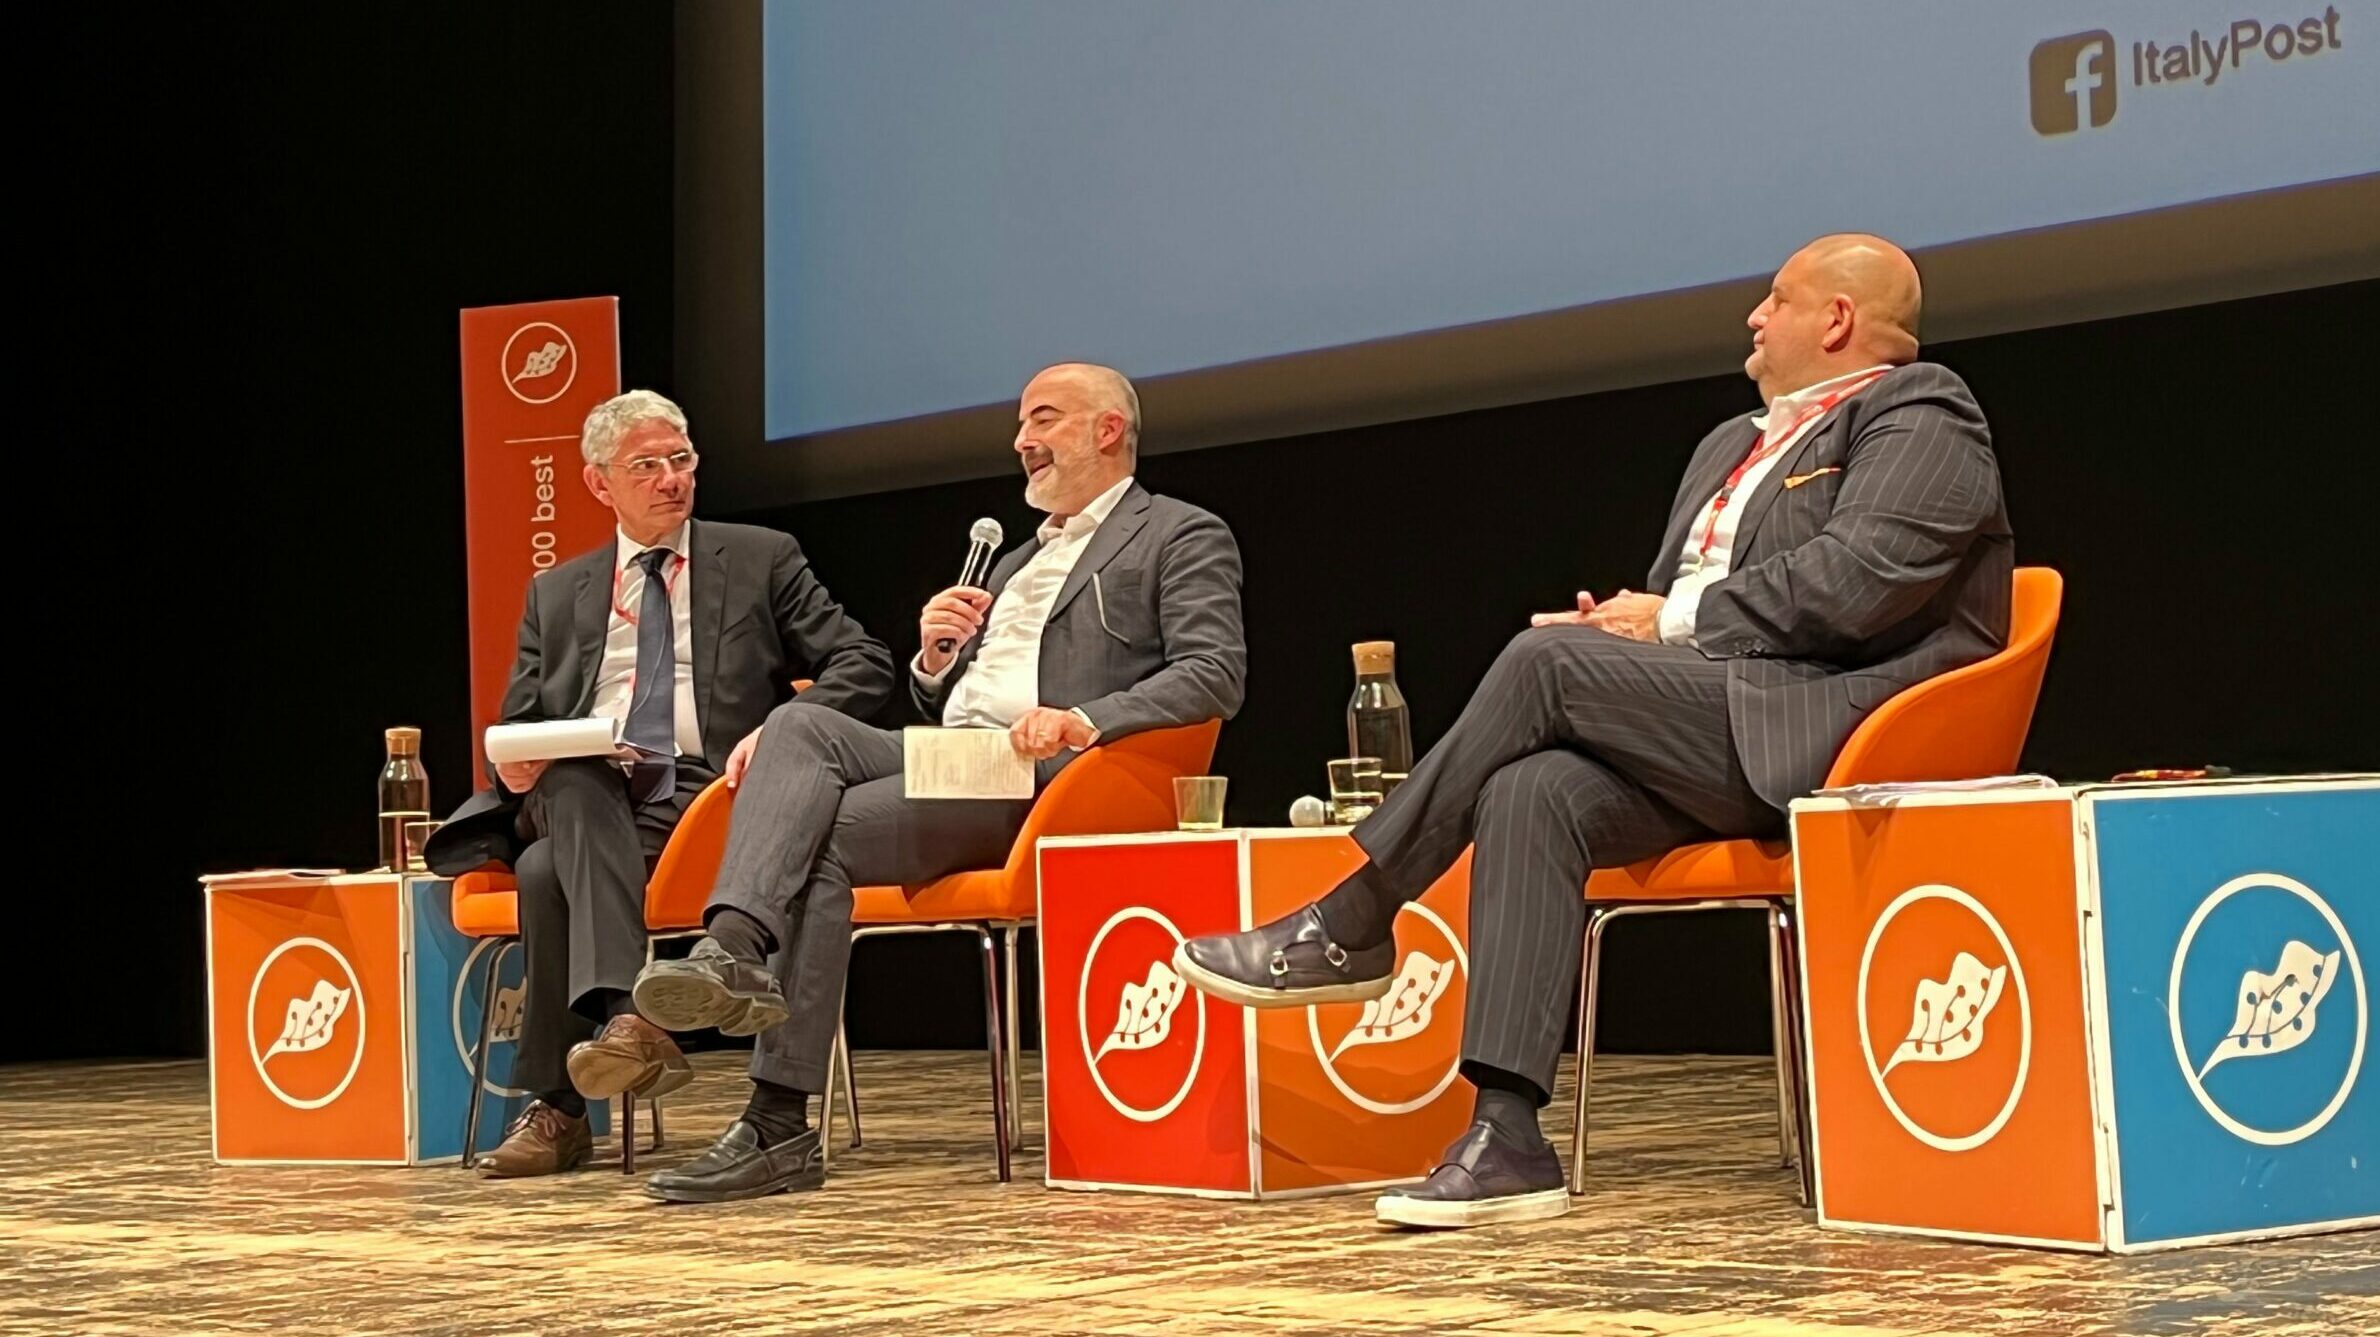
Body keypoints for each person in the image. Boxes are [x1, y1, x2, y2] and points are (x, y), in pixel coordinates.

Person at [1177, 235, 2013, 1229]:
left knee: (1544, 663)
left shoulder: (1921, 409)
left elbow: (1856, 582)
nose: (1754, 316)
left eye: (1776, 299)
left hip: (1826, 724)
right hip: (1715, 721)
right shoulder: (1729, 443)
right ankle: (1507, 1136)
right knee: (1529, 789)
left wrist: (1654, 626)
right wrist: (1620, 625)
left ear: (1836, 319)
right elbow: (1678, 605)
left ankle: (1354, 917)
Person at [629, 362, 1247, 1203]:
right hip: (956, 753)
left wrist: (1084, 718)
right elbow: (952, 702)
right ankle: (732, 952)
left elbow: (1214, 671)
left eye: (1043, 419)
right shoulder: (1016, 559)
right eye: (1021, 424)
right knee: (798, 725)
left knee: (813, 842)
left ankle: (775, 1120)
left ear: (1108, 429)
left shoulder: (1178, 532)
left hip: (1042, 772)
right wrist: (933, 661)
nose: (1022, 440)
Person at [425, 389, 895, 1178]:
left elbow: (864, 660)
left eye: (681, 460)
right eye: (646, 465)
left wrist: (782, 727)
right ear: (599, 482)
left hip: (705, 796)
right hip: (583, 792)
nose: (671, 479)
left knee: (541, 871)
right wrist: (512, 763)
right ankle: (632, 1018)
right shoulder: (557, 593)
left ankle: (562, 1109)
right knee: (575, 780)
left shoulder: (759, 558)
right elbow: (520, 720)